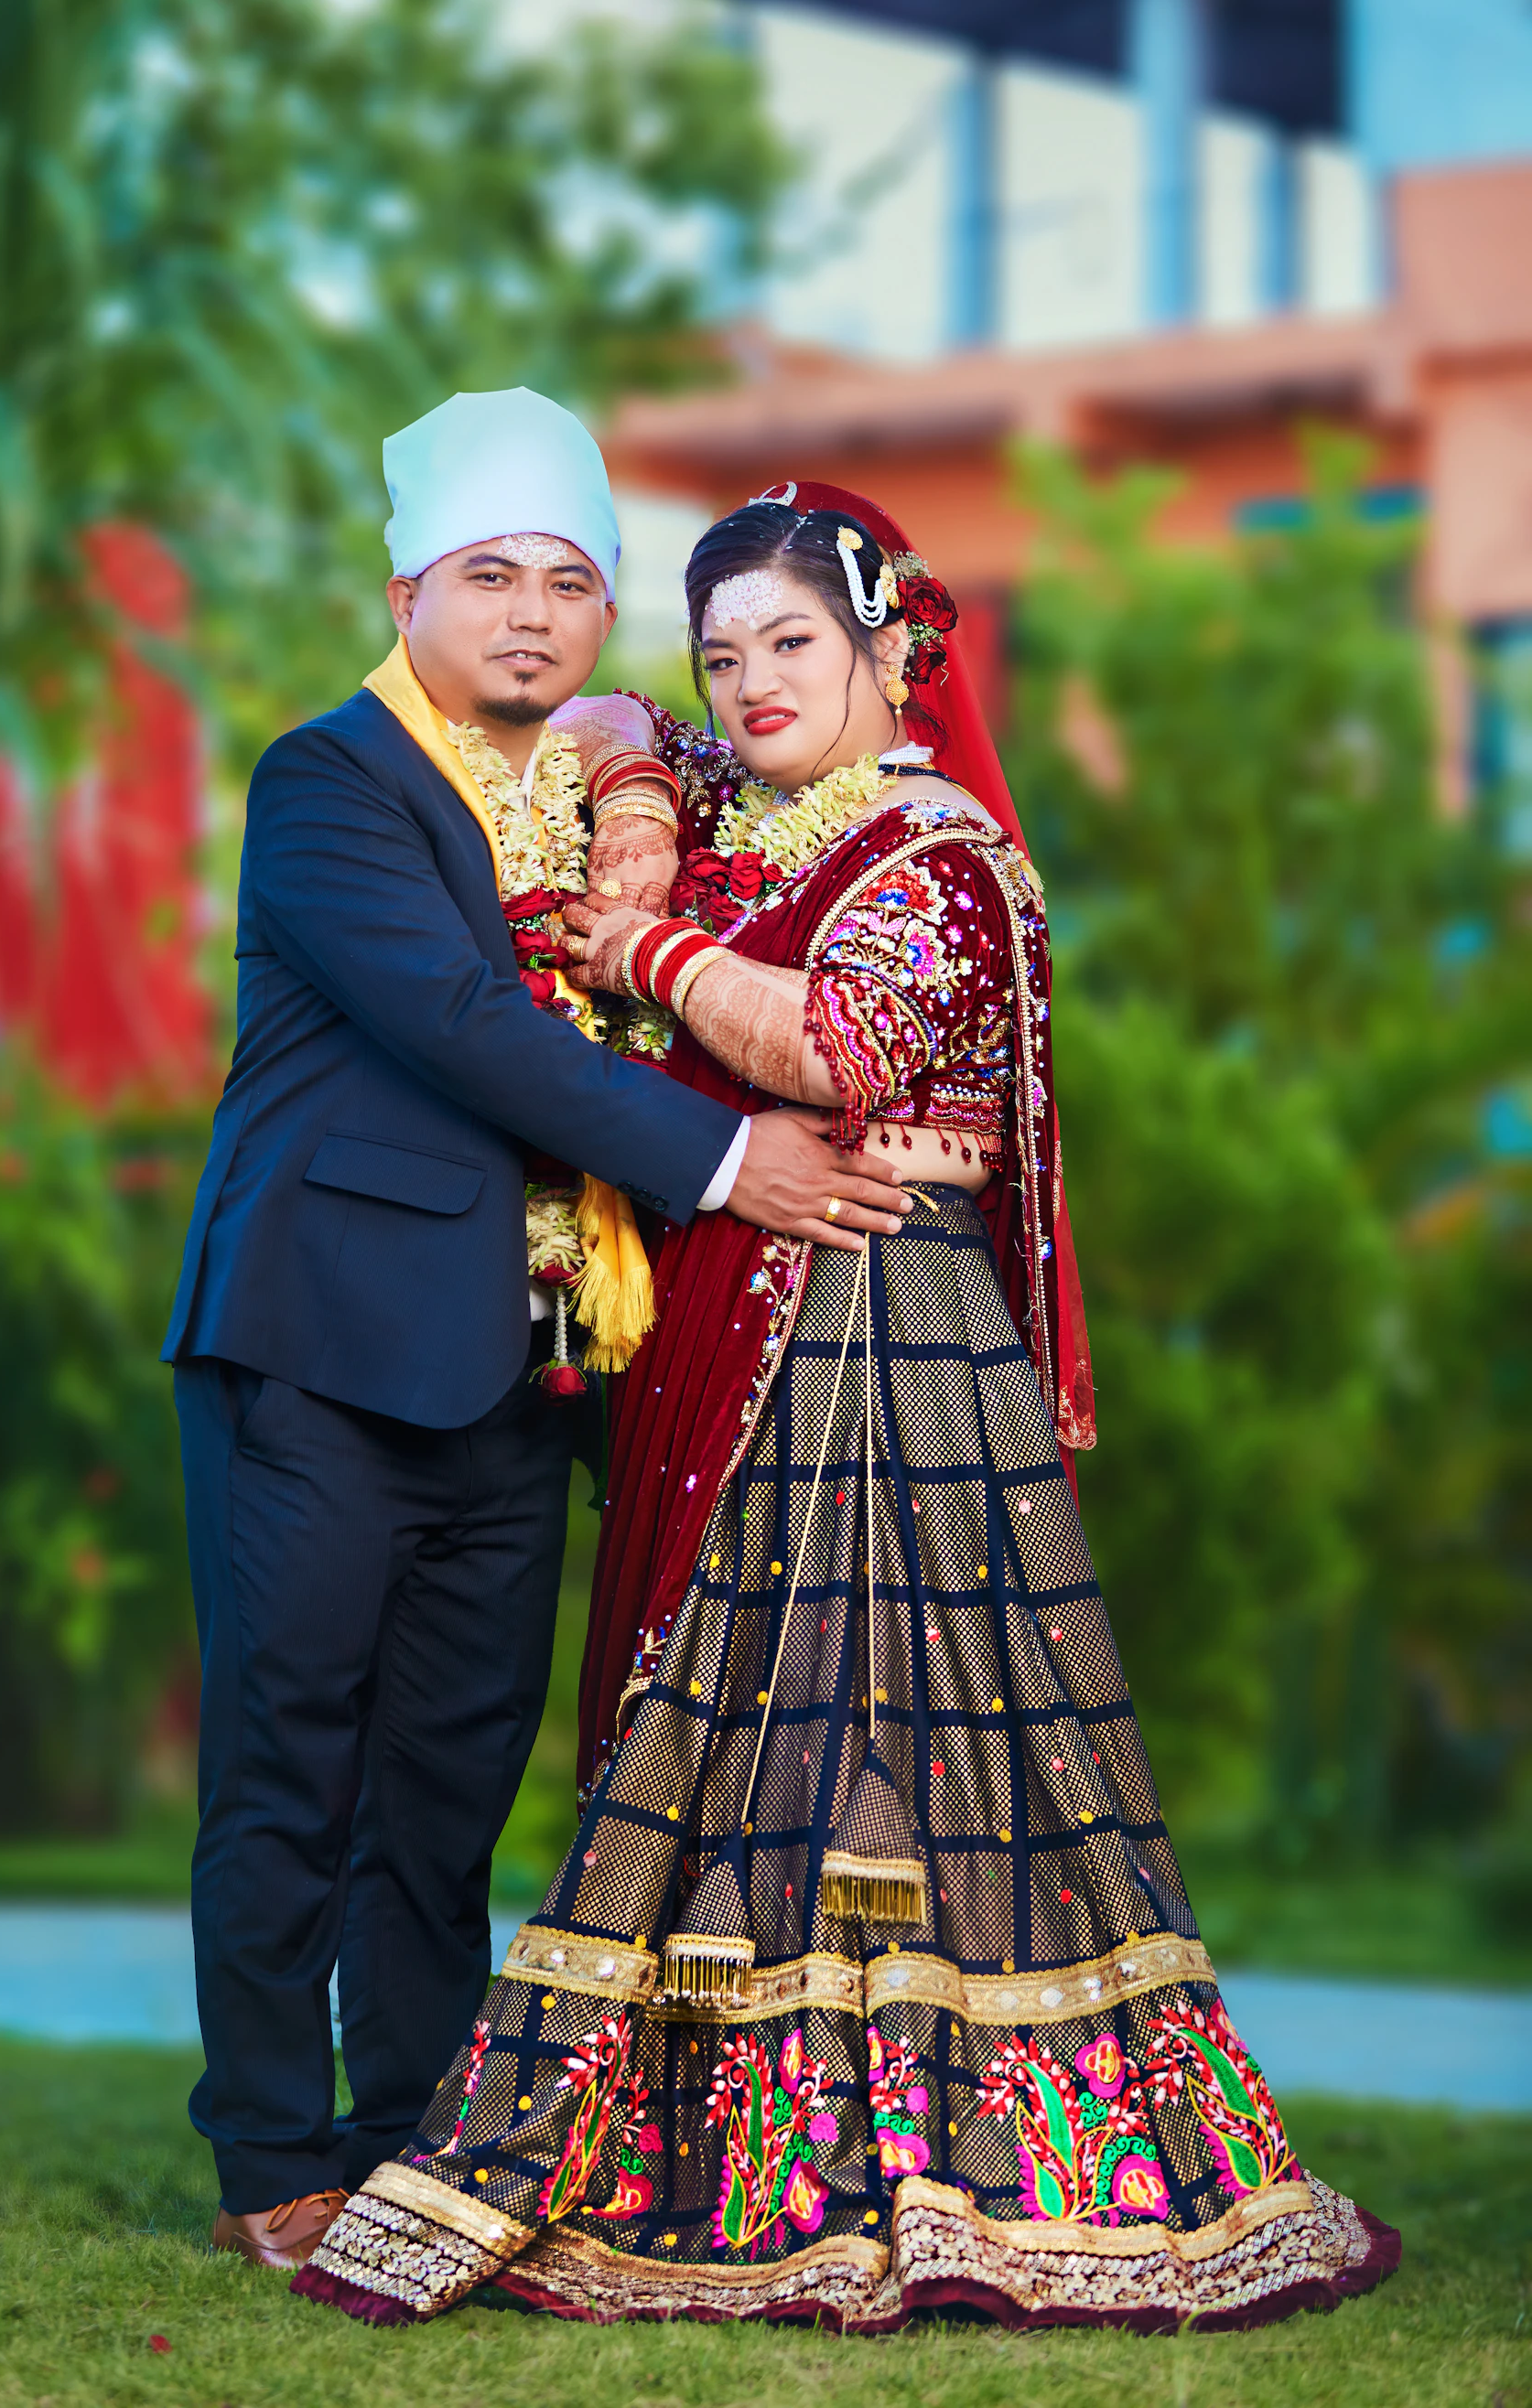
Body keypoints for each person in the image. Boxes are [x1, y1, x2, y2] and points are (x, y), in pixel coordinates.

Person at [295, 482, 1399, 2331]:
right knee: (748, 1737)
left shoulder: (937, 852)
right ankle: (734, 2139)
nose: (746, 683)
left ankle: (934, 2147)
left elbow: (840, 1050)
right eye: (723, 653)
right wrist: (646, 805)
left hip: (894, 1339)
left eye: (791, 644)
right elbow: (596, 720)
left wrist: (633, 947)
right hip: (754, 1320)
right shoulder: (752, 814)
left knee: (893, 1729)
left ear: (892, 652)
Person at [164, 404, 912, 2270]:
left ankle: (413, 2132)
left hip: (527, 1366)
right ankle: (270, 2155)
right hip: (321, 1354)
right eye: (490, 578)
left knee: (447, 1782)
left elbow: (688, 760)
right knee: (291, 1765)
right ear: (407, 590)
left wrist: (642, 785)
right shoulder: (329, 781)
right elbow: (462, 1025)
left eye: (572, 584)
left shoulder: (594, 795)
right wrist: (735, 1155)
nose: (532, 617)